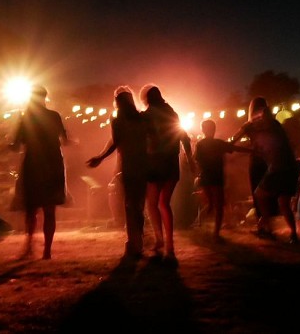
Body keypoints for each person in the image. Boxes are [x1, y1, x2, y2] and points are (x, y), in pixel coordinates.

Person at [87, 86, 150, 261]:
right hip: (144, 164)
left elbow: (115, 144)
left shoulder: (117, 120)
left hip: (129, 165)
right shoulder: (142, 118)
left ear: (117, 102)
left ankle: (133, 243)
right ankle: (139, 242)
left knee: (130, 205)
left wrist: (100, 157)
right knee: (138, 206)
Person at [10, 85, 71, 260]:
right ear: (45, 97)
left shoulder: (26, 118)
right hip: (53, 163)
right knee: (49, 209)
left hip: (33, 164)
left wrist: (3, 147)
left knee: (32, 208)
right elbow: (65, 140)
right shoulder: (54, 116)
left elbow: (16, 145)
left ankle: (29, 245)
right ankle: (47, 251)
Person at [139, 84, 195, 266]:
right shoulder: (172, 114)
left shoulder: (147, 116)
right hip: (171, 164)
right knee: (164, 203)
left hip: (155, 163)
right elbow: (184, 137)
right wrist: (191, 160)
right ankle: (169, 245)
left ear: (146, 99)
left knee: (152, 204)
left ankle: (159, 239)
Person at [230, 97, 299, 243]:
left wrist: (241, 149)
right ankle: (292, 233)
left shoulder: (250, 126)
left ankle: (265, 225)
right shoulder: (275, 124)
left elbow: (232, 141)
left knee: (259, 195)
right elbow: (286, 143)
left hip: (275, 166)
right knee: (282, 201)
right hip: (288, 165)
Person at [193, 119, 250, 240]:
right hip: (215, 177)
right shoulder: (215, 143)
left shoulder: (201, 144)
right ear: (213, 130)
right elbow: (235, 148)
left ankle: (211, 230)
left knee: (213, 205)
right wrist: (251, 151)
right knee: (217, 206)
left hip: (207, 177)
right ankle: (215, 233)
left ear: (203, 130)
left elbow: (195, 159)